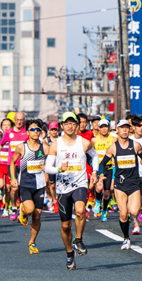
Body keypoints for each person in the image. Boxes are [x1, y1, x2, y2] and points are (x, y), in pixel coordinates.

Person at [45, 112, 98, 270]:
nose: (70, 126)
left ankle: (79, 239)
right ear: (62, 126)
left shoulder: (84, 142)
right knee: (65, 225)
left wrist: (94, 172)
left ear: (77, 125)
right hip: (63, 188)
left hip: (80, 183)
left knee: (81, 211)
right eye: (66, 123)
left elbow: (94, 156)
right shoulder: (56, 144)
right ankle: (69, 253)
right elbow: (48, 167)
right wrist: (57, 169)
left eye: (73, 123)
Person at [98, 119, 142, 250]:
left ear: (130, 129)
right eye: (122, 128)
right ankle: (126, 238)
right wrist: (100, 175)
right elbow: (102, 164)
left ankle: (131, 224)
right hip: (120, 184)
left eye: (127, 128)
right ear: (117, 130)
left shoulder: (136, 145)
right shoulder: (113, 148)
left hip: (134, 184)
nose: (124, 130)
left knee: (134, 211)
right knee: (123, 214)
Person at [10, 119, 51, 254]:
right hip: (25, 184)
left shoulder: (44, 147)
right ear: (28, 132)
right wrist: (13, 178)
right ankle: (23, 210)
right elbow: (12, 162)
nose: (35, 132)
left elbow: (51, 161)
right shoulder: (22, 147)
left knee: (37, 216)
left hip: (39, 185)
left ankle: (32, 242)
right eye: (33, 129)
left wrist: (47, 170)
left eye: (38, 129)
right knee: (30, 209)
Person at [0, 111, 28, 221]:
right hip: (12, 164)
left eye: (21, 120)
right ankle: (14, 208)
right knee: (14, 188)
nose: (19, 122)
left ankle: (23, 206)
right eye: (17, 119)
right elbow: (1, 144)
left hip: (25, 164)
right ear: (14, 120)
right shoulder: (8, 133)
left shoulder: (27, 132)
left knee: (23, 188)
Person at [92, 118, 115, 221]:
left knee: (107, 192)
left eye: (106, 127)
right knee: (98, 188)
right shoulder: (94, 140)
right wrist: (93, 165)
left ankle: (104, 212)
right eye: (102, 127)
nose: (104, 129)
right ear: (98, 128)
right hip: (98, 168)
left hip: (109, 168)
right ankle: (97, 201)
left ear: (108, 127)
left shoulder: (113, 139)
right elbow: (89, 155)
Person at [0, 118, 13, 217]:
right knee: (1, 185)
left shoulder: (13, 137)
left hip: (10, 165)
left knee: (9, 188)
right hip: (1, 165)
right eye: (4, 125)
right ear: (1, 127)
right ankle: (0, 191)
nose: (6, 127)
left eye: (8, 125)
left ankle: (6, 208)